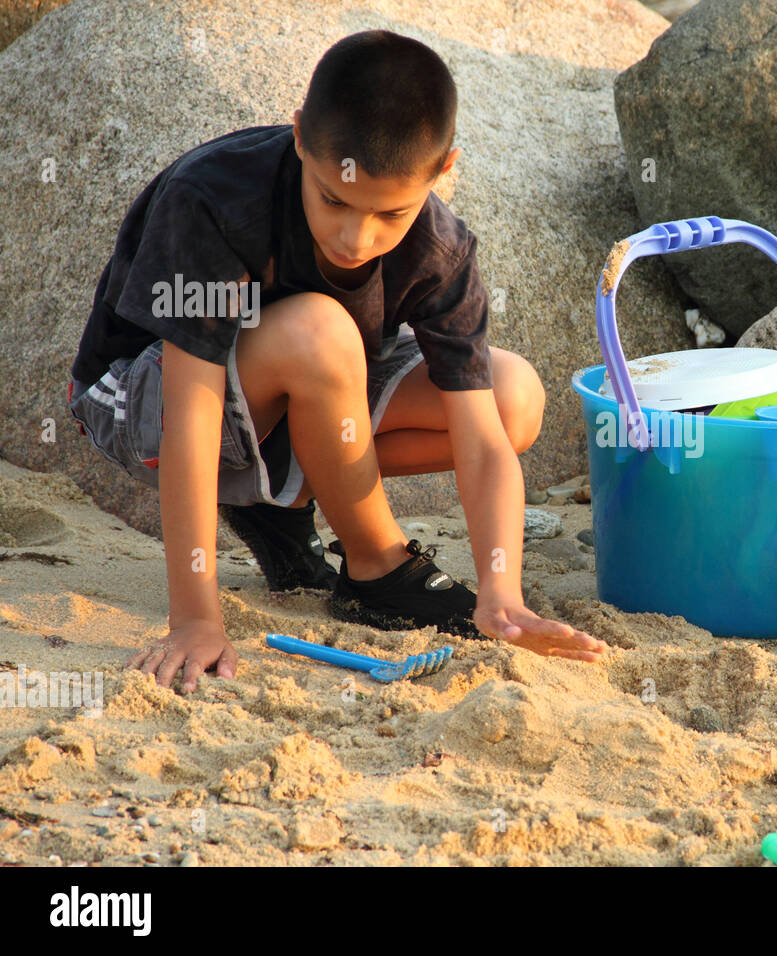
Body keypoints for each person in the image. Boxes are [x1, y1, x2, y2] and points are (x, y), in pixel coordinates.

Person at [67, 30, 608, 693]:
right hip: (140, 401)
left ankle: (280, 505)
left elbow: (485, 442)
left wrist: (502, 589)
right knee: (320, 330)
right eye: (334, 199)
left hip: (294, 395)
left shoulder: (441, 251)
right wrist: (194, 617)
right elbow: (191, 411)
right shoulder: (215, 199)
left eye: (390, 214)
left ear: (445, 172)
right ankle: (379, 564)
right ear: (299, 137)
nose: (357, 238)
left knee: (512, 394)